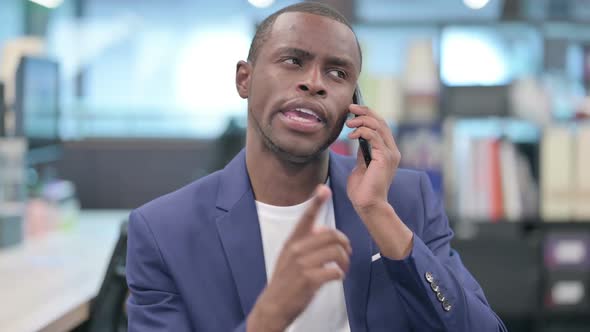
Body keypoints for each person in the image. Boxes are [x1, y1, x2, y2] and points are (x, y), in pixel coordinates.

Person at [126, 2, 507, 331]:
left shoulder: (405, 202)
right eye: (293, 61)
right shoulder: (163, 231)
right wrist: (269, 316)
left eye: (337, 74)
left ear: (353, 104)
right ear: (245, 79)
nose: (314, 83)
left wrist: (379, 215)